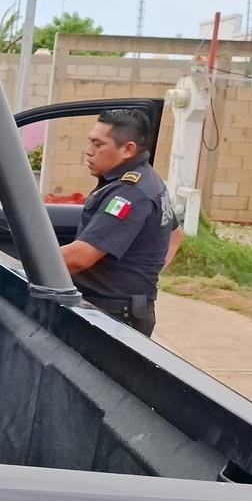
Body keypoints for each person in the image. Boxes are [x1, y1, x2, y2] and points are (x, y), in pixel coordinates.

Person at [60, 109, 183, 335]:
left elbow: (79, 258)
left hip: (112, 314)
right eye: (90, 142)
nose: (89, 152)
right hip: (120, 308)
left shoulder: (130, 193)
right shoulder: (147, 179)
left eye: (98, 145)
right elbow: (176, 235)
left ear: (128, 149)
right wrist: (143, 275)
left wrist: (24, 266)